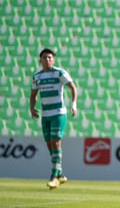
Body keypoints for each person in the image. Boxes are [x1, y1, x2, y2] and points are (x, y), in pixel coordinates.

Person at [30, 48, 78, 189]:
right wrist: (32, 108)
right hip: (45, 114)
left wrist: (74, 104)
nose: (48, 60)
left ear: (54, 60)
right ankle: (61, 174)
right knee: (50, 144)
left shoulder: (59, 72)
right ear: (40, 60)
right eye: (45, 57)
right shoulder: (37, 76)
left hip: (58, 112)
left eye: (50, 57)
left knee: (56, 141)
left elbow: (72, 87)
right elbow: (33, 95)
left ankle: (54, 176)